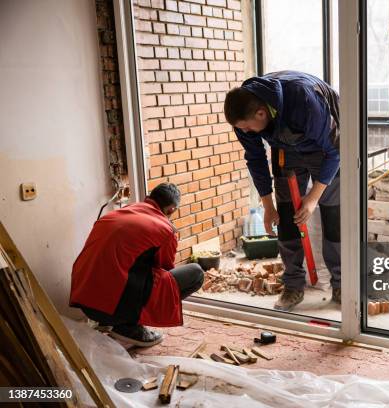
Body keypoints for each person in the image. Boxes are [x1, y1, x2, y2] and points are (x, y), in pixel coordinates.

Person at [224, 70, 340, 311]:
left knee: (333, 215)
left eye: (247, 127)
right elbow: (255, 159)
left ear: (261, 113)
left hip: (325, 147)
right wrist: (268, 206)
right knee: (287, 217)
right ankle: (293, 285)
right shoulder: (242, 114)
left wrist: (313, 198)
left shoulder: (304, 101)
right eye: (241, 128)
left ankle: (342, 283)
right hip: (285, 147)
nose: (244, 132)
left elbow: (335, 150)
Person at [69, 183, 204, 347]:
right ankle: (128, 326)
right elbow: (166, 270)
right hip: (110, 309)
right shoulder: (165, 229)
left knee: (133, 269)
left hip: (85, 303)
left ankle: (114, 319)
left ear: (149, 199)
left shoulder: (115, 214)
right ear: (171, 210)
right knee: (195, 273)